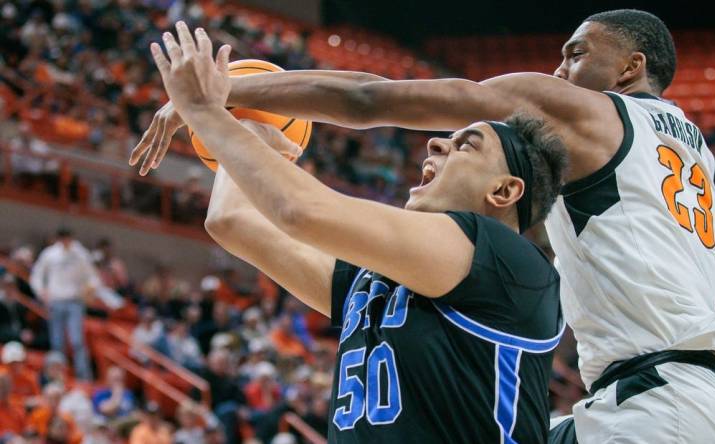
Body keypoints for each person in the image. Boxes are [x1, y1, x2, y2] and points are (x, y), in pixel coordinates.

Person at [132, 10, 715, 443]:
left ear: (629, 68)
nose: (559, 71)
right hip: (656, 397)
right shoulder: (690, 151)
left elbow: (369, 100)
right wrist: (245, 132)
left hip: (655, 404)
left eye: (577, 53)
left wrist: (222, 97)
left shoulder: (584, 119)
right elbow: (238, 220)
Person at [143, 23, 565, 443]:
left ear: (505, 190)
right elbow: (231, 220)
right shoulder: (376, 281)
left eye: (466, 145)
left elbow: (301, 210)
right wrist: (252, 124)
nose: (436, 144)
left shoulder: (507, 261)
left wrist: (205, 110)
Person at [30, 227, 98, 380]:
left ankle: (84, 376)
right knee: (57, 342)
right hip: (56, 301)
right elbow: (37, 275)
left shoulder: (80, 254)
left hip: (75, 301)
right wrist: (41, 292)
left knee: (76, 340)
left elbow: (93, 277)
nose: (65, 241)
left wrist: (90, 290)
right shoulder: (50, 254)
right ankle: (58, 376)